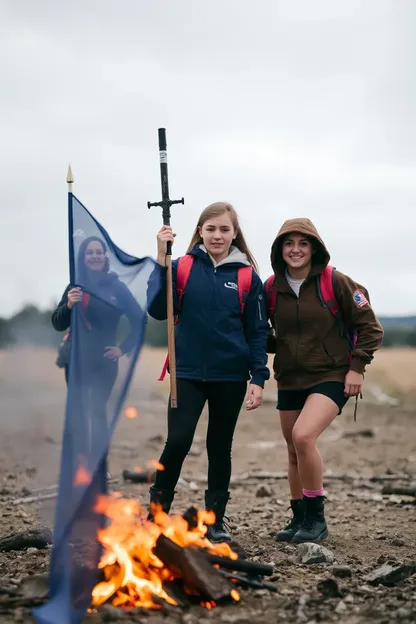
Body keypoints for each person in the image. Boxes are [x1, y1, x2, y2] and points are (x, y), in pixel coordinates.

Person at [147, 202, 270, 543]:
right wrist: (161, 259)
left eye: (224, 230)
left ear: (234, 234)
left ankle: (215, 521)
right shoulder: (182, 266)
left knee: (219, 447)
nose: (217, 235)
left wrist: (258, 377)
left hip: (230, 377)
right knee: (178, 441)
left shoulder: (247, 277)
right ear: (200, 231)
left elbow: (257, 332)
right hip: (185, 372)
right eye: (211, 229)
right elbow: (158, 310)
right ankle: (156, 515)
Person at [267, 218, 383, 543]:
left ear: (314, 248)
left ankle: (317, 520)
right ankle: (298, 518)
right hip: (289, 376)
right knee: (292, 449)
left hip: (331, 375)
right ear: (280, 250)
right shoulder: (270, 287)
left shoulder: (337, 281)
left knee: (303, 437)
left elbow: (372, 328)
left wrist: (357, 367)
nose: (296, 250)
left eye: (303, 243)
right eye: (289, 244)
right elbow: (268, 335)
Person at [51, 236, 142, 459]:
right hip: (76, 360)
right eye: (89, 252)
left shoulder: (116, 287)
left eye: (98, 252)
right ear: (83, 258)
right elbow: (57, 322)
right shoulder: (75, 286)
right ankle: (78, 465)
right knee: (77, 413)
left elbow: (140, 319)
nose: (94, 256)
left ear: (105, 256)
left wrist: (122, 349)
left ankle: (97, 466)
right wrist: (69, 304)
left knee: (98, 412)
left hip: (104, 361)